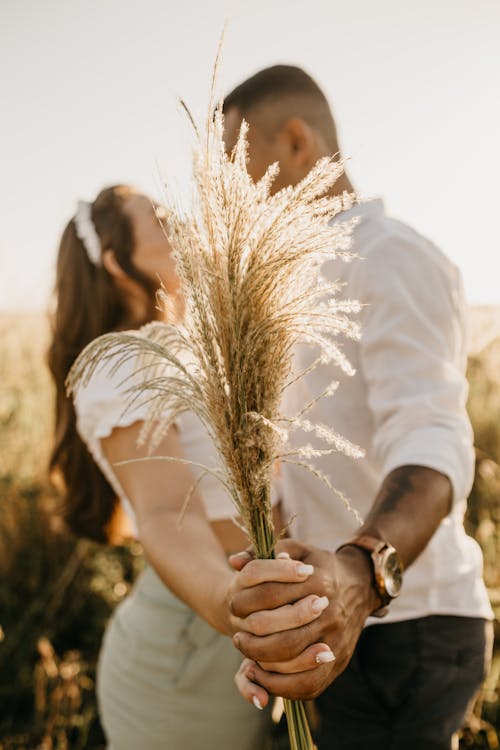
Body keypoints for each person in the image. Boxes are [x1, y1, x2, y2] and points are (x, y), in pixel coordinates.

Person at [222, 66, 494, 749]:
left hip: (410, 629)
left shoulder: (389, 257)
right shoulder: (300, 279)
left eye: (241, 170)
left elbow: (433, 436)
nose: (235, 199)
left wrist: (362, 573)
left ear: (294, 142)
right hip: (346, 623)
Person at [47, 184, 334, 749]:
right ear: (116, 263)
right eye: (156, 218)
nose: (178, 221)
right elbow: (160, 512)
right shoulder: (125, 359)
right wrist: (239, 611)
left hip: (238, 631)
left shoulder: (191, 347)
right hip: (185, 650)